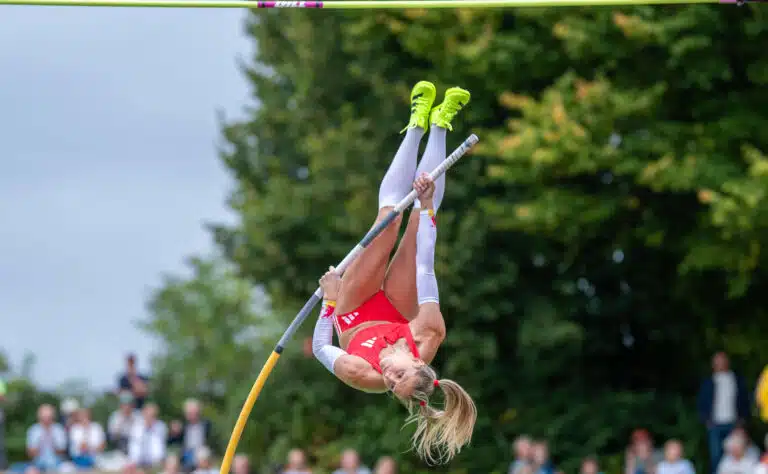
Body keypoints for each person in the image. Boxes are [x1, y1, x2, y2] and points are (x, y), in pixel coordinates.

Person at [310, 81, 476, 464]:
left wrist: (331, 299)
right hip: (397, 312)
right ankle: (436, 125)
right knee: (413, 222)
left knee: (387, 222)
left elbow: (320, 347)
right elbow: (425, 265)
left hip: (352, 309)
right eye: (398, 377)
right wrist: (429, 206)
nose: (387, 377)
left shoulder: (361, 374)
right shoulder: (429, 331)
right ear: (418, 362)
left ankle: (417, 123)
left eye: (390, 384)